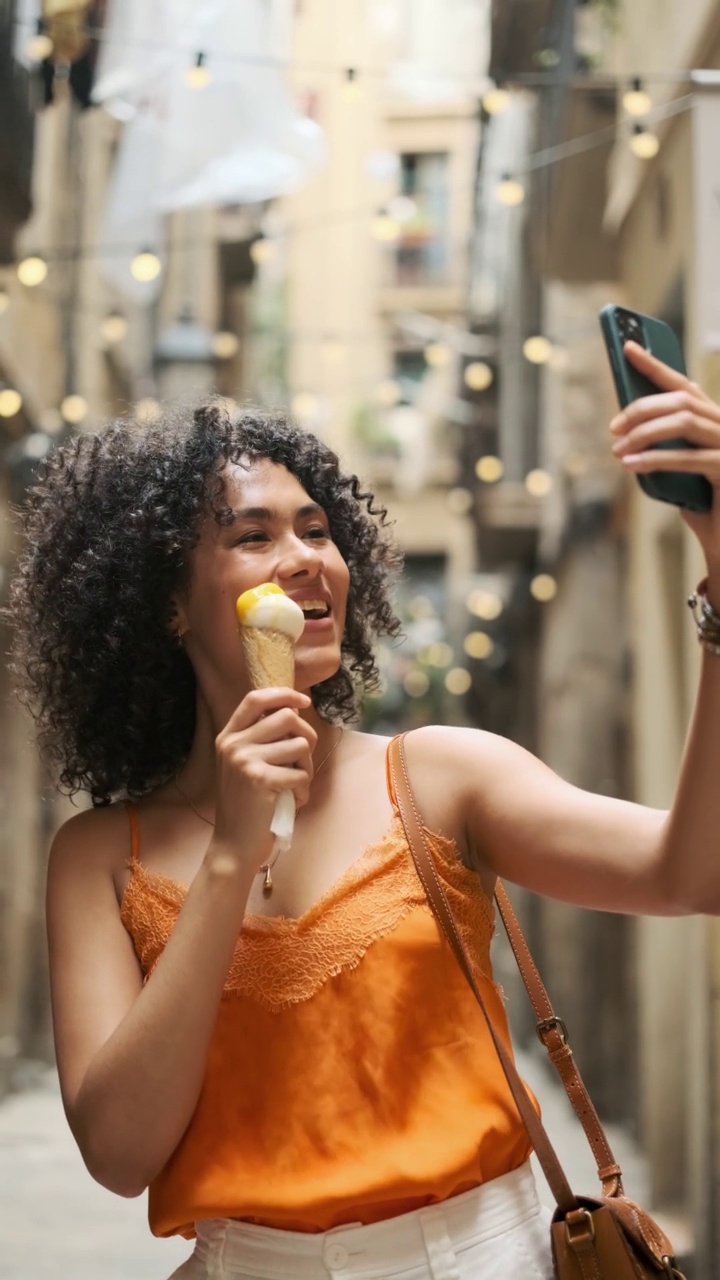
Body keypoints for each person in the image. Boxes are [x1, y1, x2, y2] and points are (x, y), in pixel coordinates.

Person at [8, 340, 720, 1280]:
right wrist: (231, 852)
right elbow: (119, 1154)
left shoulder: (442, 776)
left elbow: (690, 874)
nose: (305, 560)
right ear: (168, 605)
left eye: (316, 528)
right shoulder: (99, 856)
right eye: (253, 536)